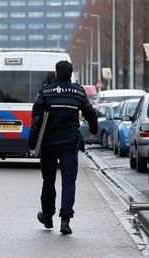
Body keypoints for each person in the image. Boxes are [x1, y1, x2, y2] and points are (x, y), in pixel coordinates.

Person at [29, 60, 97, 235]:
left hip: (49, 143)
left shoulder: (46, 91)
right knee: (68, 181)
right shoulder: (78, 92)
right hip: (69, 143)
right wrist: (94, 129)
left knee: (48, 181)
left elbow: (36, 119)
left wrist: (32, 141)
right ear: (71, 73)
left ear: (56, 73)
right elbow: (90, 112)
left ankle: (48, 216)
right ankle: (65, 221)